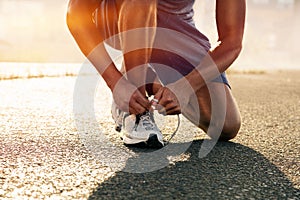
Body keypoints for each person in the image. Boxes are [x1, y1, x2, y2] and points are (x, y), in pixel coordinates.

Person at [67, 0, 245, 148]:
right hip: (119, 13)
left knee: (225, 124)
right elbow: (76, 13)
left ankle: (149, 80)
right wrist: (116, 83)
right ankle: (135, 111)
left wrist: (185, 86)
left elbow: (232, 42)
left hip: (175, 23)